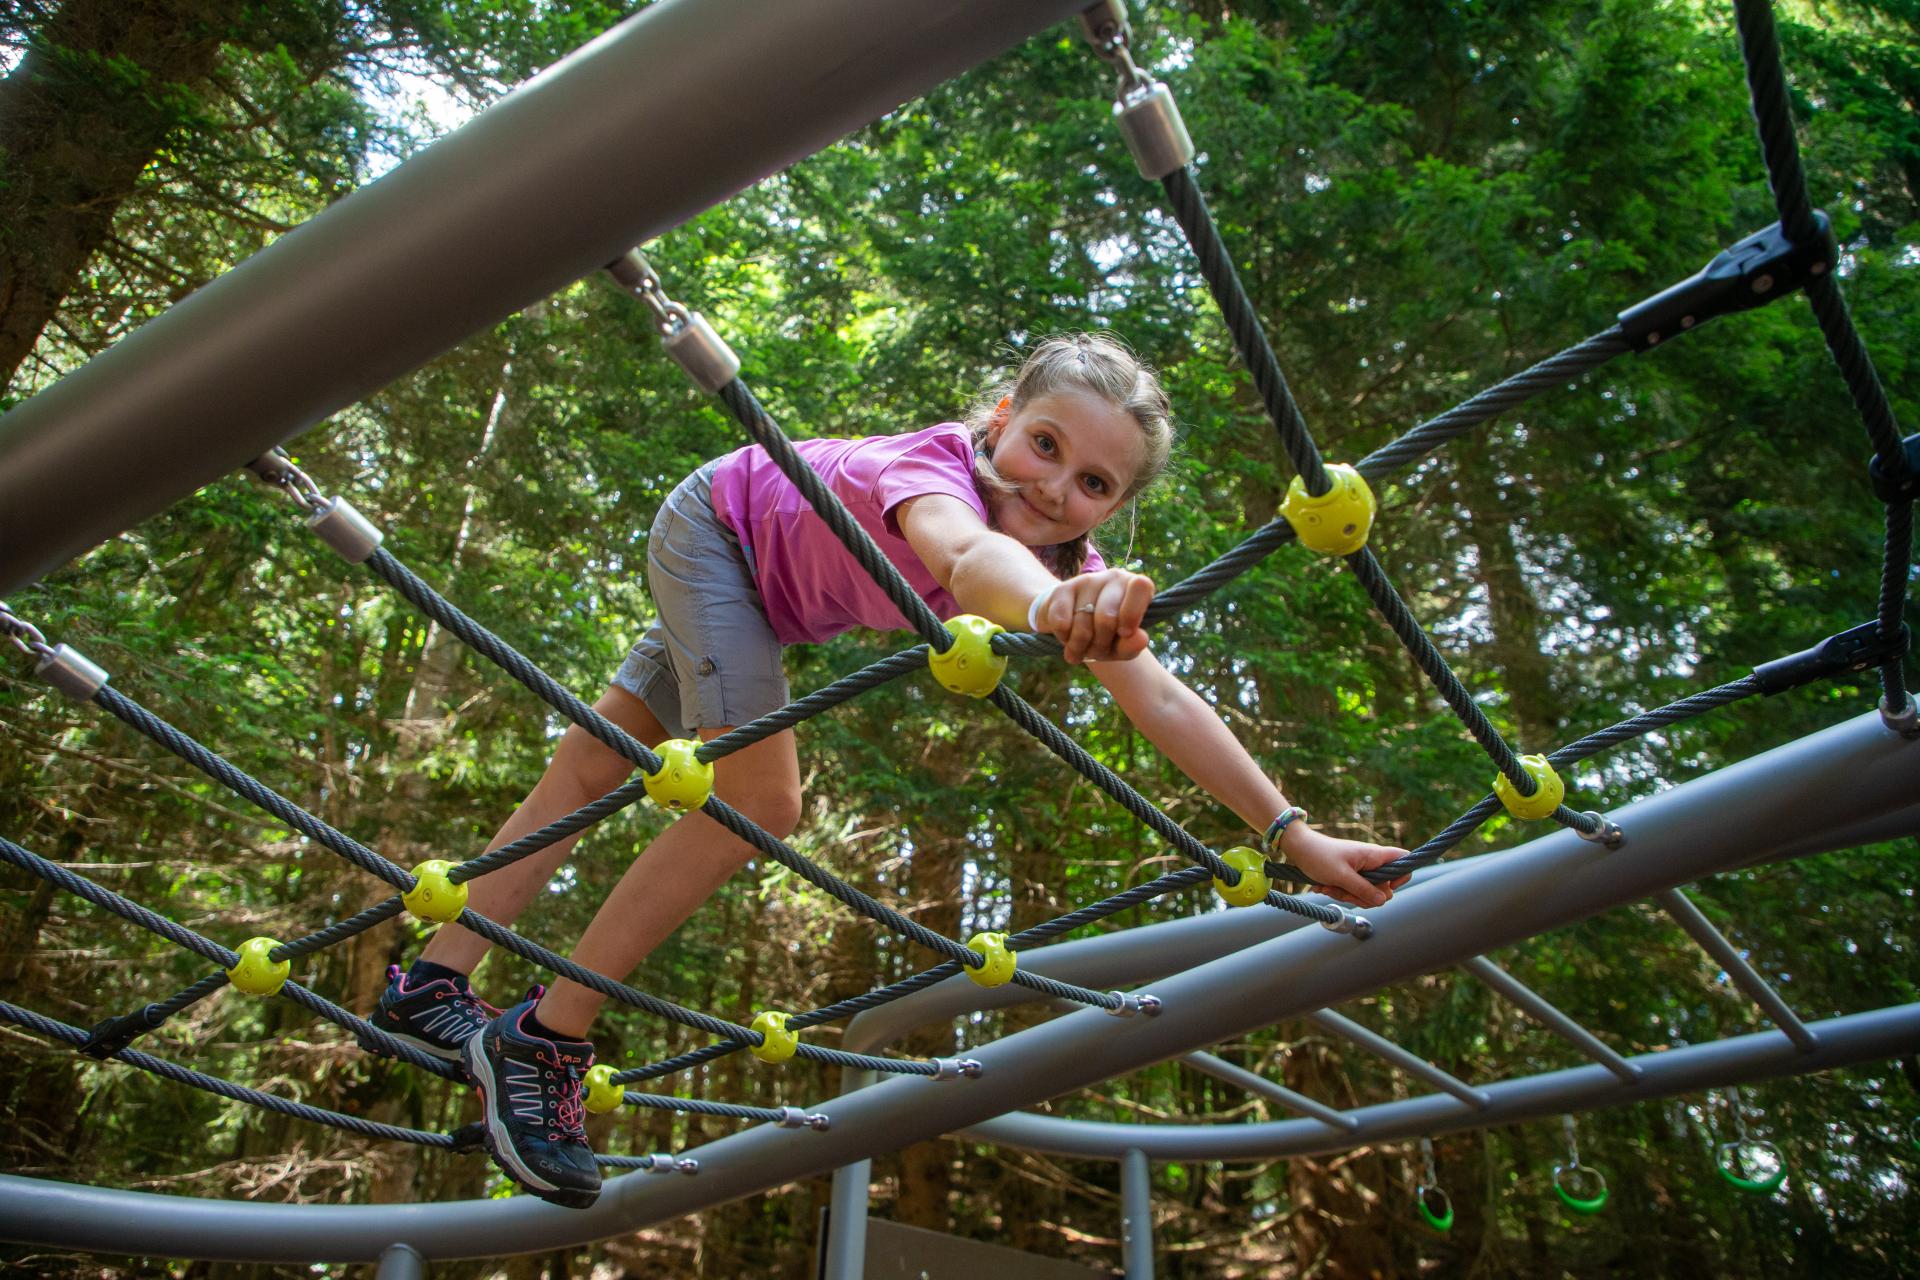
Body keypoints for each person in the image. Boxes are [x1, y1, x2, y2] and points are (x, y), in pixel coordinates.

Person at [370, 333, 1411, 1208]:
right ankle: (546, 1039)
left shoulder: (1072, 571)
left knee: (594, 766)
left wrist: (1292, 833)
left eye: (1093, 483)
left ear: (1112, 509)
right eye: (1044, 444)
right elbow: (961, 556)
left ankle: (431, 982)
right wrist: (1046, 608)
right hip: (719, 531)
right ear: (999, 420)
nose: (1053, 486)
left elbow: (1165, 700)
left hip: (761, 601)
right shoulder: (933, 469)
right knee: (761, 801)